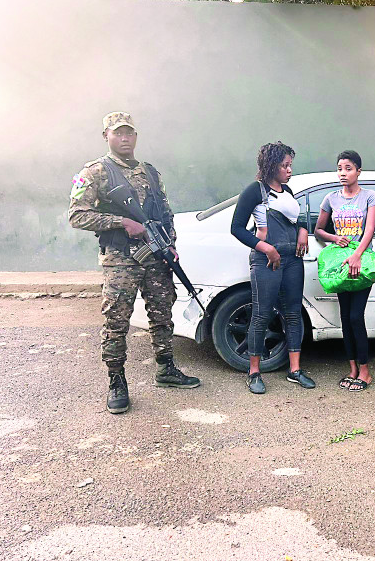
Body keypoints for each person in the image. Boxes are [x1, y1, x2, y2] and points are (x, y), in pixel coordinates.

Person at [68, 112, 200, 415]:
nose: (125, 138)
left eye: (129, 133)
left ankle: (166, 369)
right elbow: (77, 215)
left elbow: (166, 214)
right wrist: (121, 221)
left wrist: (171, 246)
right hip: (120, 261)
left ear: (136, 136)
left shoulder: (151, 172)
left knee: (162, 314)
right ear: (106, 136)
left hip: (156, 256)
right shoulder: (94, 172)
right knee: (116, 321)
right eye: (118, 133)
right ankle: (116, 381)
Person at [230, 141, 315, 394]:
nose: (289, 170)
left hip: (292, 259)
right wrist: (265, 247)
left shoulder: (287, 190)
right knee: (262, 313)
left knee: (292, 313)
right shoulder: (255, 191)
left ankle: (295, 370)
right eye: (284, 165)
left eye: (290, 165)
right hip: (267, 260)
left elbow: (298, 217)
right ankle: (254, 372)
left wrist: (303, 230)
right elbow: (236, 228)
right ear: (271, 165)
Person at [314, 150, 375, 392]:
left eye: (349, 168)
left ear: (358, 171)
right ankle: (352, 368)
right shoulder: (330, 199)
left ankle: (365, 371)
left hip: (361, 263)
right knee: (344, 318)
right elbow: (319, 229)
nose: (343, 173)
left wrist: (357, 255)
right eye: (340, 168)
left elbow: (370, 230)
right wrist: (334, 237)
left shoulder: (370, 197)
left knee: (355, 317)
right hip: (340, 265)